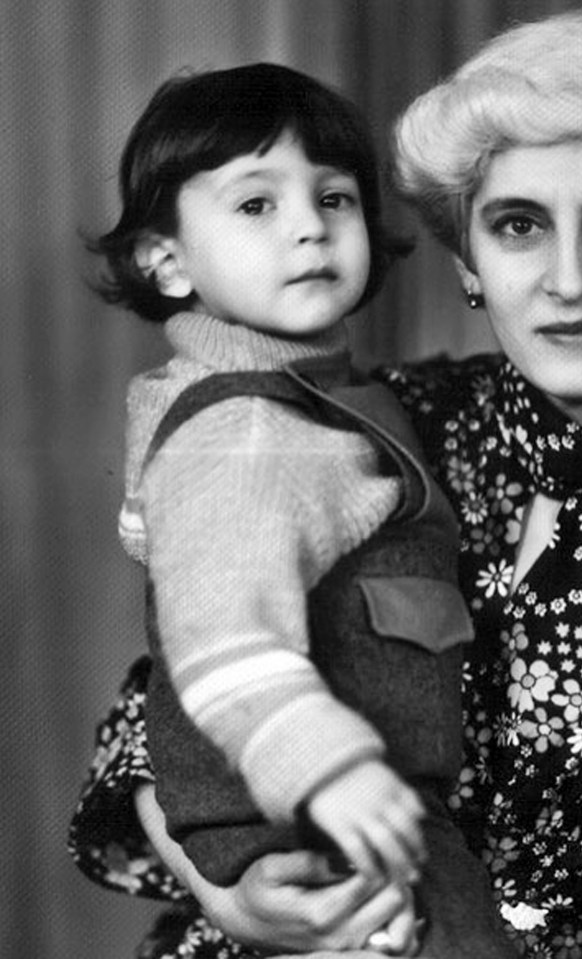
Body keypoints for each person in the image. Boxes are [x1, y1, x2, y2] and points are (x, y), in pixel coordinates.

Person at [70, 9, 582, 959]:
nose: (568, 279)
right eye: (519, 224)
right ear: (467, 260)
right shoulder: (380, 423)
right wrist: (226, 891)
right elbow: (165, 691)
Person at [77, 61, 515, 958]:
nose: (309, 227)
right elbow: (221, 639)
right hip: (323, 815)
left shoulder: (306, 402)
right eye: (255, 205)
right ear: (165, 260)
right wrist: (332, 770)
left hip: (335, 808)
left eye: (335, 197)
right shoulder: (245, 429)